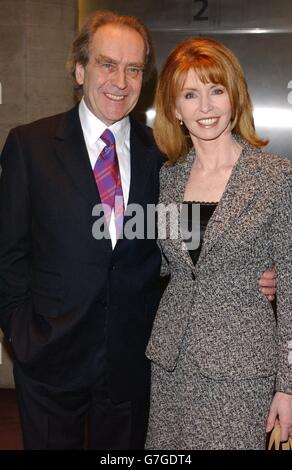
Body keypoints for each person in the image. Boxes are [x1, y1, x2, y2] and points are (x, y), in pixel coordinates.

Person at [0, 11, 276, 450]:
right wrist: (21, 334)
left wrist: (260, 272)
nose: (120, 81)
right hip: (49, 364)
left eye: (132, 69)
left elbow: (188, 251)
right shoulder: (29, 146)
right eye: (107, 64)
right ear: (79, 69)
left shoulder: (163, 157)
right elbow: (9, 254)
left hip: (133, 367)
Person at [146, 37, 292, 450]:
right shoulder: (168, 178)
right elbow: (165, 266)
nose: (205, 107)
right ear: (175, 109)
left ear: (235, 97)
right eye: (190, 95)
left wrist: (289, 385)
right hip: (172, 365)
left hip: (242, 371)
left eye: (216, 90)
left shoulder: (276, 177)